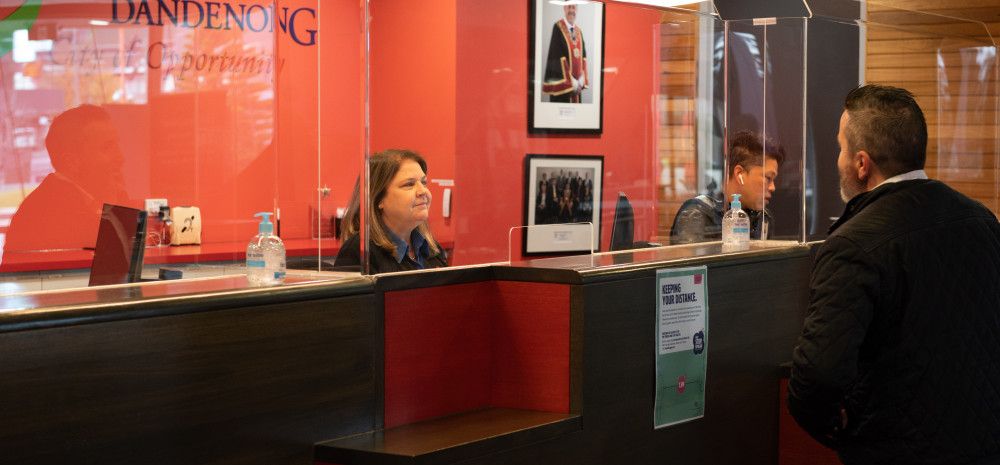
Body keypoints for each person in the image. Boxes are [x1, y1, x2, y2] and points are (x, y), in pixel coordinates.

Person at [788, 85, 1000, 464]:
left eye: (840, 148)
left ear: (861, 164)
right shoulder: (983, 221)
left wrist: (837, 429)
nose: (838, 159)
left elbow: (818, 376)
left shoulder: (853, 245)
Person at [4, 105, 130, 256]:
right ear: (71, 162)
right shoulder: (46, 217)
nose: (120, 157)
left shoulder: (108, 199)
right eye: (107, 148)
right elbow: (112, 271)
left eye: (116, 145)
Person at [334, 149, 448, 274]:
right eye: (409, 184)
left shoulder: (432, 249)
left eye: (424, 182)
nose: (423, 191)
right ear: (378, 198)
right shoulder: (360, 251)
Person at [669, 130, 784, 245]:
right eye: (768, 178)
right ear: (740, 174)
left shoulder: (763, 218)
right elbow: (693, 263)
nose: (772, 187)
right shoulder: (698, 213)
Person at [542, 4, 589, 103]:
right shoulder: (558, 27)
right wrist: (571, 81)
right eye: (569, 7)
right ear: (564, 8)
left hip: (577, 87)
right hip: (563, 90)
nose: (571, 10)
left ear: (577, 9)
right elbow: (556, 56)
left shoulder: (579, 31)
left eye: (574, 7)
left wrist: (582, 78)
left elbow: (583, 56)